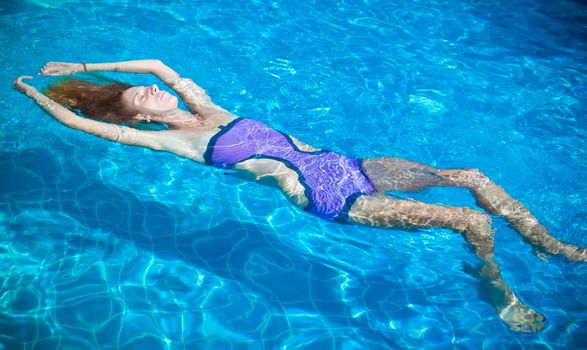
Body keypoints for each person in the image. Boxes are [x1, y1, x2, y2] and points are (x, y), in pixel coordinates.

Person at [14, 60, 586, 333]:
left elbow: (158, 62)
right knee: (470, 222)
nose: (156, 89)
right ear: (135, 116)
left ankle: (547, 244)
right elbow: (82, 123)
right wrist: (35, 93)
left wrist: (87, 67)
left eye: (153, 90)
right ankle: (501, 294)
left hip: (353, 165)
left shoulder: (208, 107)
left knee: (474, 175)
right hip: (327, 195)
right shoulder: (180, 143)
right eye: (143, 95)